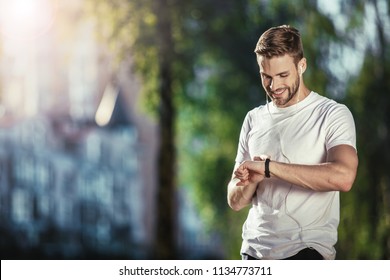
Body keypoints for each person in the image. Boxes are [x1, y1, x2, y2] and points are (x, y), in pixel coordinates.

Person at [227, 25, 358, 260]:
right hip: (253, 253)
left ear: (302, 66)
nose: (273, 86)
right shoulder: (253, 119)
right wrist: (251, 181)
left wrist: (269, 169)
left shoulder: (332, 114)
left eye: (282, 76)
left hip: (306, 252)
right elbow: (234, 200)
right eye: (266, 76)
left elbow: (344, 176)